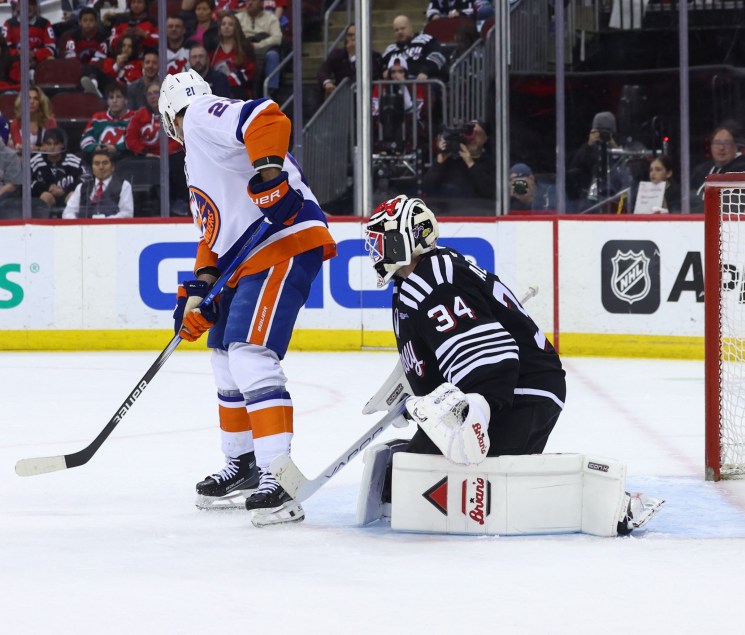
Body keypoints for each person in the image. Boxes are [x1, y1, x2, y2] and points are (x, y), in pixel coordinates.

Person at [358, 195, 662, 536]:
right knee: (406, 476)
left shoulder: (435, 281)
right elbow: (436, 357)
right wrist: (418, 400)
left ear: (405, 240)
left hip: (520, 390)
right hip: (505, 388)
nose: (374, 248)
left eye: (381, 238)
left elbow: (491, 354)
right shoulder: (417, 282)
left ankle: (612, 500)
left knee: (479, 482)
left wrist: (480, 405)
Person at [158, 69, 337, 526]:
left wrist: (270, 175)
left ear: (167, 116)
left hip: (283, 239)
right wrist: (199, 291)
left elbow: (265, 116)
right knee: (222, 354)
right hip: (245, 257)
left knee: (250, 353)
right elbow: (212, 234)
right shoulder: (196, 159)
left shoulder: (198, 116)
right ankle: (243, 465)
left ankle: (279, 474)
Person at [421, 118, 495, 210]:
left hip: (479, 215)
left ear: (485, 138)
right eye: (469, 133)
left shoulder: (491, 163)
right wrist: (439, 162)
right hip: (449, 215)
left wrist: (470, 163)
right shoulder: (449, 162)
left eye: (478, 134)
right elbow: (426, 189)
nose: (473, 137)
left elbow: (490, 191)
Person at [691, 124, 745, 208]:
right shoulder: (701, 169)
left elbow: (731, 203)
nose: (721, 148)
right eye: (717, 143)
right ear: (711, 147)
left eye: (727, 143)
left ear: (735, 147)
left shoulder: (743, 170)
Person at [317, 23, 383, 101]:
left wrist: (354, 56)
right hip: (343, 99)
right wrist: (327, 83)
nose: (353, 38)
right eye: (350, 35)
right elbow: (323, 71)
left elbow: (373, 74)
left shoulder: (374, 56)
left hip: (366, 99)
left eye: (356, 35)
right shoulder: (338, 54)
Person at [61, 148, 134, 218]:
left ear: (113, 167)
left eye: (105, 163)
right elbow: (68, 212)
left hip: (112, 229)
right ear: (92, 168)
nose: (101, 167)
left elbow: (127, 213)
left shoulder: (124, 186)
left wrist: (103, 222)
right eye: (97, 163)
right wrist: (80, 223)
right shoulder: (81, 187)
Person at [30, 127, 86, 214]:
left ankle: (74, 225)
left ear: (62, 145)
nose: (52, 147)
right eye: (48, 144)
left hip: (66, 195)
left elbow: (85, 178)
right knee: (46, 196)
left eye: (56, 144)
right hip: (46, 196)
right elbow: (27, 183)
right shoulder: (35, 161)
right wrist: (47, 188)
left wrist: (65, 190)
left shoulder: (73, 160)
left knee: (72, 196)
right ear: (43, 145)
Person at [235, 0, 282, 98]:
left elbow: (277, 38)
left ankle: (270, 92)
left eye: (253, 0)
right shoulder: (238, 18)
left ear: (261, 3)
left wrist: (258, 45)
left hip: (264, 50)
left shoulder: (271, 18)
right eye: (248, 1)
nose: (250, 3)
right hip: (244, 50)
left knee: (273, 55)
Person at [381, 15, 447, 81]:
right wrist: (384, 70)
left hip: (423, 83)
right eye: (396, 30)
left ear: (410, 27)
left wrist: (425, 71)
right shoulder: (390, 49)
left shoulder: (426, 40)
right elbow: (380, 64)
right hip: (396, 86)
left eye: (402, 28)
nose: (400, 32)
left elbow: (437, 56)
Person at [211, 12, 256, 99]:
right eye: (223, 24)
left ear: (236, 28)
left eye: (230, 24)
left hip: (240, 92)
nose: (226, 27)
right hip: (217, 94)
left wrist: (226, 81)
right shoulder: (214, 49)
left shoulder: (245, 47)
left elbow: (250, 71)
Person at [80, 83, 133, 156]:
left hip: (126, 158)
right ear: (107, 101)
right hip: (100, 157)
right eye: (111, 97)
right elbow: (85, 139)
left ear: (126, 100)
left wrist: (117, 148)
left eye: (118, 97)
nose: (114, 101)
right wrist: (97, 148)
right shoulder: (97, 118)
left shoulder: (135, 117)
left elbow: (137, 140)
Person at [2, 0, 56, 67]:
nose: (28, 7)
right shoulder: (9, 24)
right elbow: (4, 48)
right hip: (16, 63)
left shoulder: (44, 23)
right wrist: (18, 53)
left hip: (39, 63)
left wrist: (34, 54)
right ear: (18, 6)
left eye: (32, 4)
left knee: (51, 60)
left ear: (36, 7)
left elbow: (51, 49)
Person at [9, 85, 58, 152]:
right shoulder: (15, 123)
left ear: (41, 102)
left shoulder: (50, 122)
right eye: (28, 98)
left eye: (36, 98)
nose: (32, 102)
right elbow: (19, 147)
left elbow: (51, 148)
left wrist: (35, 148)